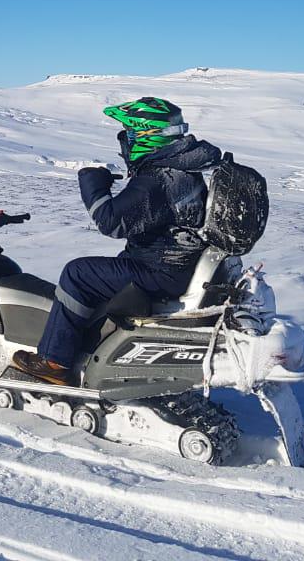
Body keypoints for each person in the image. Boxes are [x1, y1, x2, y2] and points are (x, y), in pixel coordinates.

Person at [11, 97, 223, 385]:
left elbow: (110, 222)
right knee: (108, 272)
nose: (126, 141)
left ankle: (54, 362)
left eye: (130, 134)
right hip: (176, 263)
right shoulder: (183, 168)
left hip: (162, 271)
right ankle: (91, 344)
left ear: (145, 135)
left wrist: (92, 185)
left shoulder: (158, 178)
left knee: (78, 273)